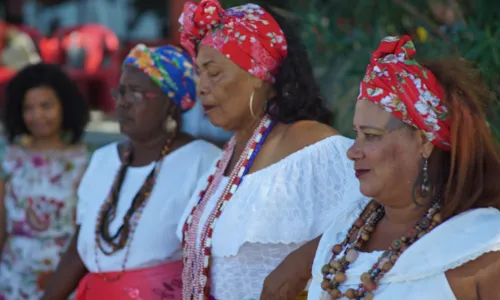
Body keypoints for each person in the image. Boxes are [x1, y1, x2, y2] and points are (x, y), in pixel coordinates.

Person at [264, 35, 500, 300]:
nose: (353, 152)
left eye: (372, 135)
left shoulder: (481, 245)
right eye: (356, 134)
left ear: (424, 142)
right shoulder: (341, 234)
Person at [176, 1, 366, 299]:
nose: (201, 86)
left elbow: (376, 217)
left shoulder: (315, 148)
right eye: (200, 72)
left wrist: (301, 263)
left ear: (260, 76)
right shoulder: (228, 156)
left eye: (214, 73)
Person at [41, 44, 221, 300]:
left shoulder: (202, 161)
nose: (123, 102)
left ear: (170, 104)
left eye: (136, 93)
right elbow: (79, 250)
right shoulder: (103, 160)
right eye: (121, 91)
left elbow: (213, 259)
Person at [0, 63, 90, 299]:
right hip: (13, 277)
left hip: (63, 278)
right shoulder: (8, 160)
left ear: (65, 106)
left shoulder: (85, 162)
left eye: (46, 106)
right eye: (28, 107)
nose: (37, 115)